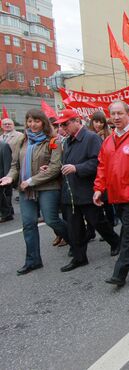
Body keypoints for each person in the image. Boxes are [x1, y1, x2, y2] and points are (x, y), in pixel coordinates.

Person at [0, 109, 69, 275]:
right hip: (25, 190)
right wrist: (9, 177)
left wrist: (31, 181)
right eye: (29, 121)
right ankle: (33, 260)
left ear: (43, 122)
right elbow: (15, 166)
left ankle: (76, 240)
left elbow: (54, 168)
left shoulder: (53, 141)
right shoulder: (22, 141)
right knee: (29, 224)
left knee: (51, 220)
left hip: (47, 186)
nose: (32, 124)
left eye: (36, 121)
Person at [93, 101, 129, 287]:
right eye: (113, 114)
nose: (116, 117)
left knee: (128, 232)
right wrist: (98, 189)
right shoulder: (108, 141)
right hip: (115, 194)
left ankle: (120, 273)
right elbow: (102, 167)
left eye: (120, 113)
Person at [55, 109, 121, 272]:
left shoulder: (91, 138)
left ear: (77, 121)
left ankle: (115, 242)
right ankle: (79, 257)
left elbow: (99, 163)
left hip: (87, 190)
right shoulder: (67, 141)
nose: (63, 127)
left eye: (66, 123)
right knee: (74, 226)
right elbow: (66, 164)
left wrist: (77, 168)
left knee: (97, 221)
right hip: (71, 192)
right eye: (61, 125)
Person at [0, 139, 12, 222]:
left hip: (2, 176)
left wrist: (7, 176)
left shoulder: (4, 145)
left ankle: (7, 213)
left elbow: (7, 163)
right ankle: (7, 213)